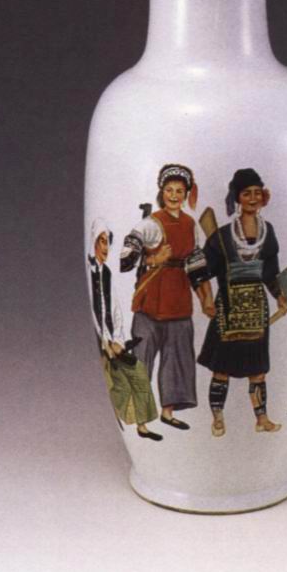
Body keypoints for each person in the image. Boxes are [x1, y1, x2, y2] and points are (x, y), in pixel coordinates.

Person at [120, 164, 214, 430]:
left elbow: (196, 266)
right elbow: (125, 258)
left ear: (186, 194)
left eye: (179, 191)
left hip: (179, 299)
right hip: (151, 299)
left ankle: (168, 412)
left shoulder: (190, 224)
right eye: (169, 190)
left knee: (177, 357)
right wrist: (153, 258)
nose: (174, 195)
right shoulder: (151, 223)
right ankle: (140, 418)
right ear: (162, 192)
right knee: (141, 359)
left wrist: (206, 299)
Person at [198, 168, 287, 437]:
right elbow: (201, 269)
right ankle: (217, 418)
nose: (252, 198)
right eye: (247, 193)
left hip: (256, 309)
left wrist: (280, 295)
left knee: (258, 371)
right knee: (221, 370)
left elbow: (270, 272)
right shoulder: (223, 236)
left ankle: (262, 418)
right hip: (227, 307)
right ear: (237, 197)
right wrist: (205, 298)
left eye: (257, 193)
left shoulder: (267, 232)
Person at [87, 218, 162, 441]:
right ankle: (129, 420)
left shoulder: (106, 273)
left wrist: (118, 339)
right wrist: (106, 342)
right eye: (102, 241)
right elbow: (95, 313)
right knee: (121, 384)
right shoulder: (92, 272)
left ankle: (142, 426)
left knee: (138, 373)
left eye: (108, 242)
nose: (106, 247)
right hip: (103, 344)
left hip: (115, 343)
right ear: (93, 242)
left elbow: (115, 310)